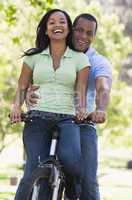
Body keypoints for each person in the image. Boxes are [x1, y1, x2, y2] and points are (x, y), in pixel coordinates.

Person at [27, 13, 112, 200]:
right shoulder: (53, 52)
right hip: (49, 118)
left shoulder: (97, 61)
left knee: (87, 182)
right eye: (79, 30)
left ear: (94, 37)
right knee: (37, 175)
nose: (83, 36)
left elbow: (103, 87)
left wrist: (100, 109)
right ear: (71, 29)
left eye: (89, 33)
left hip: (82, 124)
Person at [10, 9, 90, 200]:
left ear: (68, 29)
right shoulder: (33, 57)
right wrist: (15, 107)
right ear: (45, 30)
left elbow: (81, 87)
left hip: (67, 119)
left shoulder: (80, 58)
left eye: (62, 22)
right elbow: (22, 85)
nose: (57, 25)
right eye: (51, 22)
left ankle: (71, 195)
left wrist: (81, 108)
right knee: (32, 170)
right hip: (37, 117)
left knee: (71, 163)